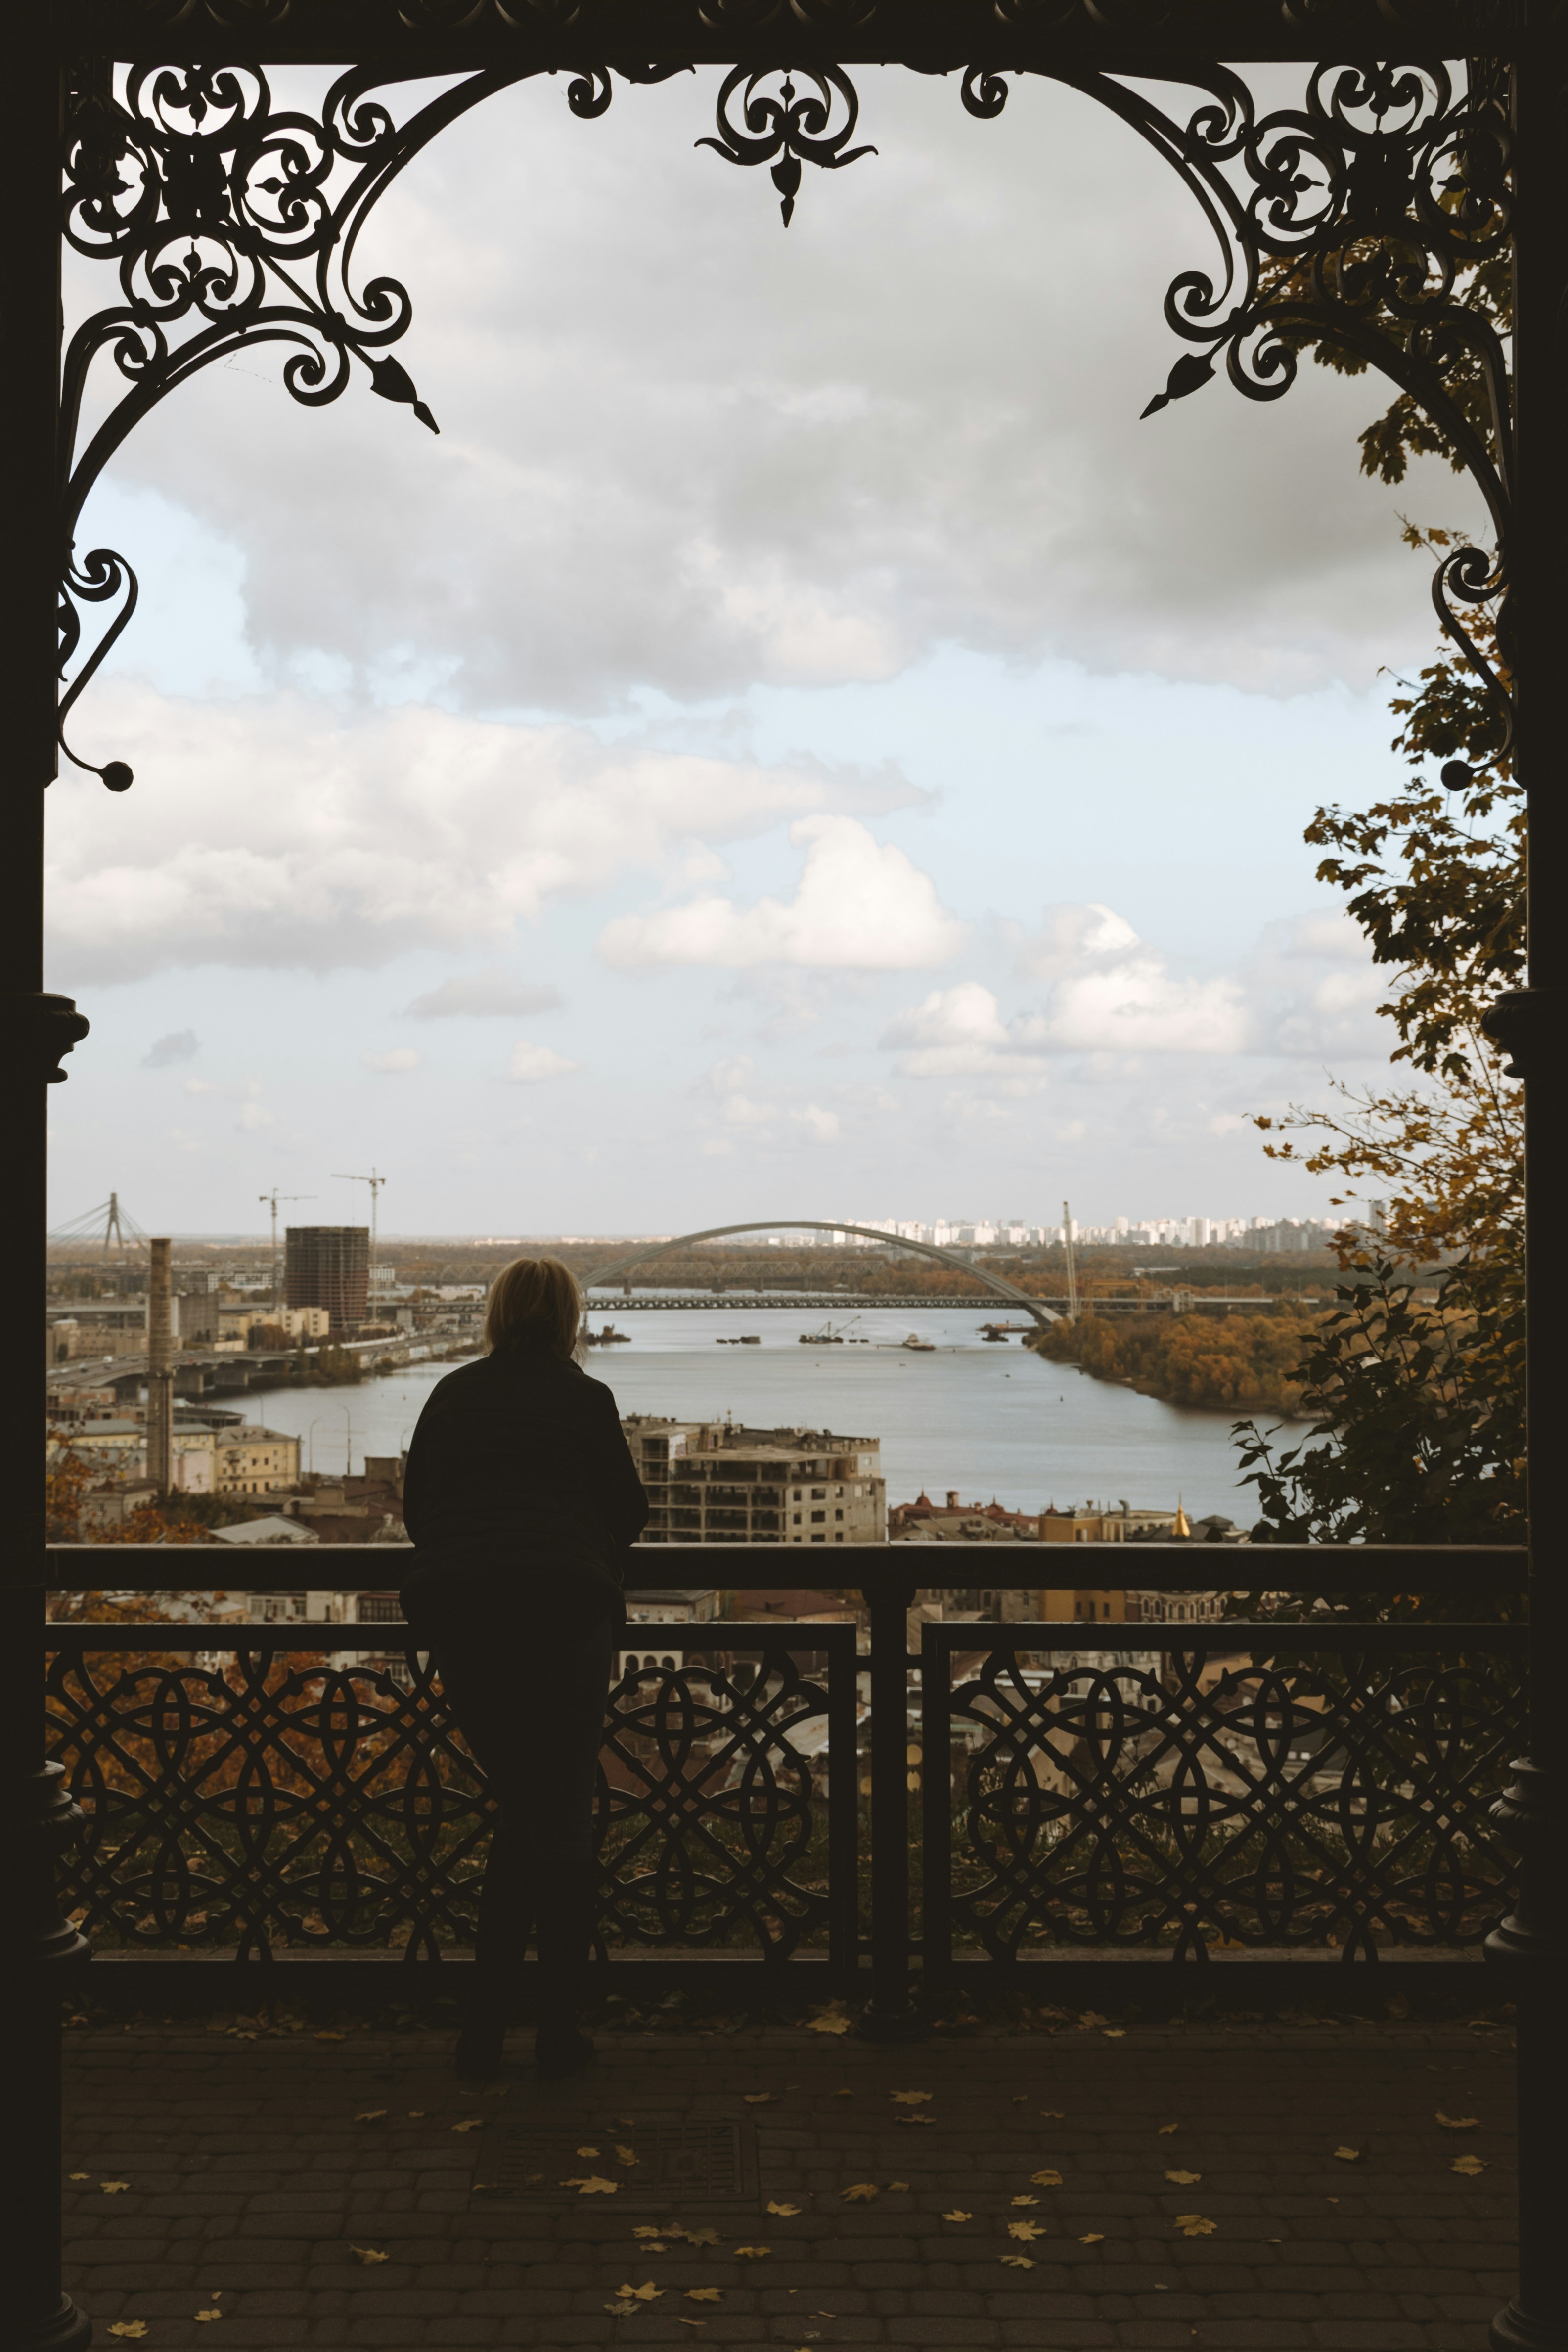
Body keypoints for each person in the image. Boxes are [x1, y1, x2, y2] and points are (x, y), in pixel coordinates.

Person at [401, 1256, 647, 2081]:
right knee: (559, 1819)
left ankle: (482, 2034)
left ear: (497, 1314)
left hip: (467, 1622)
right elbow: (630, 1509)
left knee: (523, 1809)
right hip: (562, 1618)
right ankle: (553, 2032)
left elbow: (417, 1508)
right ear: (571, 1318)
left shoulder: (453, 1394)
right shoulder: (585, 1400)